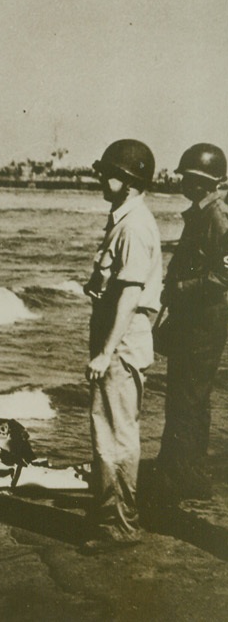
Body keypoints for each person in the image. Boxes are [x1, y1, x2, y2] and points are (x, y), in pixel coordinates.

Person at [82, 139, 163, 552]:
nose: (102, 179)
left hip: (121, 343)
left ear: (127, 182)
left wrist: (105, 352)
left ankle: (119, 526)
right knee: (112, 430)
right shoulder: (126, 220)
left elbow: (131, 296)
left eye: (108, 174)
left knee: (114, 435)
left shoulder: (133, 226)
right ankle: (112, 518)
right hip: (122, 339)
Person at [155, 143, 228, 502]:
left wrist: (179, 288)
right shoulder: (204, 213)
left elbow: (223, 276)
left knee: (187, 398)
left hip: (204, 323)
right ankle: (187, 472)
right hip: (195, 320)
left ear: (202, 182)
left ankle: (179, 477)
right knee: (191, 397)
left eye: (188, 177)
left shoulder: (218, 217)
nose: (182, 182)